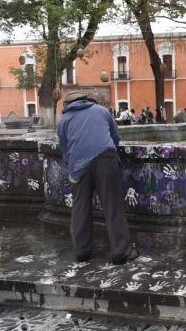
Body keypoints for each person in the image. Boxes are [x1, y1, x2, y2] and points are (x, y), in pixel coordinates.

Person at [57, 91, 138, 264]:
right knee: (113, 205)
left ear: (67, 104)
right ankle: (120, 253)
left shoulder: (64, 120)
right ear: (87, 100)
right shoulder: (102, 111)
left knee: (80, 207)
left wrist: (73, 164)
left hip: (78, 164)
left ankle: (82, 251)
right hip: (105, 160)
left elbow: (64, 148)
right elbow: (115, 138)